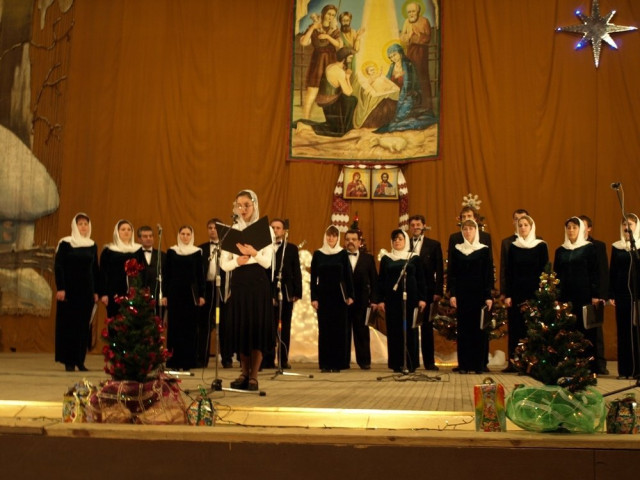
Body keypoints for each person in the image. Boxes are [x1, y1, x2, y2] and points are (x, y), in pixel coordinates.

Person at [220, 190, 275, 391]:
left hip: (258, 283)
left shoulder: (265, 230)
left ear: (254, 205)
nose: (243, 209)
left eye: (247, 205)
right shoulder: (231, 231)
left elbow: (267, 262)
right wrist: (237, 261)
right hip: (240, 283)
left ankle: (254, 376)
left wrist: (254, 253)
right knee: (242, 328)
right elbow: (224, 264)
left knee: (256, 328)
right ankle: (243, 372)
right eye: (239, 205)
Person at [374, 229, 426, 373]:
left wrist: (422, 298)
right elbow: (381, 281)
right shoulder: (386, 259)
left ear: (406, 240)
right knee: (395, 330)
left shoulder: (414, 258)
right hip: (392, 300)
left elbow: (421, 279)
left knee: (410, 330)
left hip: (411, 299)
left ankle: (411, 363)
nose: (397, 241)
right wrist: (381, 300)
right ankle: (397, 363)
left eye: (400, 239)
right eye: (394, 239)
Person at [553, 217, 600, 373]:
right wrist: (556, 297)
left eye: (574, 227)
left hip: (584, 295)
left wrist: (595, 294)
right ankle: (569, 365)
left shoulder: (589, 248)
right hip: (566, 296)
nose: (571, 230)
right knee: (568, 329)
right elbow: (556, 275)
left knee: (585, 330)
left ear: (581, 230)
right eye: (569, 227)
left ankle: (588, 365)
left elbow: (595, 273)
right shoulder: (560, 250)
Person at [502, 215, 549, 372]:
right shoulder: (513, 247)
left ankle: (533, 364)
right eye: (520, 225)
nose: (522, 228)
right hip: (517, 293)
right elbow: (509, 272)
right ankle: (515, 363)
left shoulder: (541, 246)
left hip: (535, 294)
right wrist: (508, 294)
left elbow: (545, 271)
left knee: (534, 328)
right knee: (516, 328)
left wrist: (544, 293)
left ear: (531, 227)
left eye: (525, 225)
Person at [54, 213, 99, 372]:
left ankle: (80, 361)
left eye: (86, 224)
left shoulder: (92, 245)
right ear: (75, 225)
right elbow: (59, 266)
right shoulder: (66, 243)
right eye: (80, 224)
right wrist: (61, 288)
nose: (83, 227)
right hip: (69, 291)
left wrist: (96, 291)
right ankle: (69, 361)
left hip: (86, 292)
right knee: (69, 326)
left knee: (83, 327)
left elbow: (95, 269)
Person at [448, 219, 494, 374]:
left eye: (471, 229)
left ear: (476, 231)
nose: (468, 232)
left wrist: (488, 296)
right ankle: (464, 365)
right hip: (462, 295)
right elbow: (453, 274)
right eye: (465, 229)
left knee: (479, 330)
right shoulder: (457, 250)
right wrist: (453, 294)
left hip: (479, 295)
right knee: (463, 330)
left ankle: (478, 365)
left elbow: (488, 274)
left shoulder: (484, 250)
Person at [311, 225, 354, 372]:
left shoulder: (343, 254)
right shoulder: (318, 254)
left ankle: (337, 363)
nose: (331, 238)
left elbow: (348, 276)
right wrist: (314, 297)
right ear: (325, 236)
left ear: (337, 237)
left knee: (338, 330)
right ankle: (325, 363)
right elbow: (313, 279)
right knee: (324, 330)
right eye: (329, 235)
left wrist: (350, 295)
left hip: (340, 297)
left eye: (334, 236)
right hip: (323, 296)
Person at [162, 226, 205, 371]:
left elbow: (200, 276)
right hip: (174, 293)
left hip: (191, 295)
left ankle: (188, 362)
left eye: (188, 234)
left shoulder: (197, 252)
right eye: (183, 234)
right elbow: (167, 274)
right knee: (174, 328)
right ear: (178, 235)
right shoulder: (171, 251)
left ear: (191, 236)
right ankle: (173, 361)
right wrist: (165, 294)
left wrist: (202, 295)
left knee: (189, 328)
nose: (185, 237)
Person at [263, 218, 303, 369]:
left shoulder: (291, 248)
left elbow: (296, 270)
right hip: (268, 290)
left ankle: (283, 359)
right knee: (269, 326)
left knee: (284, 326)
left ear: (284, 231)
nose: (275, 230)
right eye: (272, 227)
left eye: (278, 228)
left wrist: (297, 291)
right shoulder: (264, 248)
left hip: (285, 291)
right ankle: (268, 359)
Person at [374, 43, 437, 134]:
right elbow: (387, 80)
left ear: (400, 52)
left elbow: (409, 85)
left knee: (397, 121)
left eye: (394, 55)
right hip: (395, 94)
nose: (393, 58)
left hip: (408, 95)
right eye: (391, 57)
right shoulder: (392, 66)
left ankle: (422, 122)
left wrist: (401, 95)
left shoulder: (408, 65)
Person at [408, 215, 443, 371]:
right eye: (413, 225)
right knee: (411, 326)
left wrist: (438, 291)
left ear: (424, 226)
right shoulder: (405, 243)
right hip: (411, 291)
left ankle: (429, 362)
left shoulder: (434, 245)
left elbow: (439, 269)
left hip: (429, 291)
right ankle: (412, 362)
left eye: (418, 224)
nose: (415, 227)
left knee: (427, 328)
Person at [609, 214, 640, 379]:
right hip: (621, 295)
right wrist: (611, 294)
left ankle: (637, 370)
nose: (627, 227)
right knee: (623, 332)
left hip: (637, 296)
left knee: (636, 332)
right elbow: (612, 271)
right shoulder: (617, 246)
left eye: (630, 224)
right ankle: (624, 371)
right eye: (624, 224)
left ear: (636, 226)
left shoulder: (639, 247)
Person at [199, 218, 233, 368]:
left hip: (224, 288)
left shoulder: (228, 248)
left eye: (215, 228)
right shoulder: (201, 249)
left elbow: (233, 270)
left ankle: (227, 358)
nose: (213, 230)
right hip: (207, 288)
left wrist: (231, 289)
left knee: (225, 324)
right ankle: (202, 359)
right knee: (205, 324)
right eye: (210, 228)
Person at [299, 4, 342, 120]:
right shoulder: (314, 27)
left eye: (333, 15)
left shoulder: (334, 29)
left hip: (330, 62)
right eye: (329, 14)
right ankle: (305, 120)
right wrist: (313, 27)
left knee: (331, 92)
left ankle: (332, 122)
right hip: (317, 62)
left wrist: (328, 37)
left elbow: (339, 45)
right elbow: (303, 42)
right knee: (312, 90)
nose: (330, 17)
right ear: (323, 13)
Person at [579, 214, 610, 375]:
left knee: (595, 330)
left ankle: (599, 364)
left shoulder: (598, 245)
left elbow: (603, 272)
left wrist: (601, 295)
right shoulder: (574, 246)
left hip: (594, 295)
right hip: (579, 293)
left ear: (589, 228)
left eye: (583, 226)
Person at [306, 47, 358, 137]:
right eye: (350, 58)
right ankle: (347, 128)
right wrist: (347, 78)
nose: (350, 60)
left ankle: (346, 127)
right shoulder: (339, 72)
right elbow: (348, 92)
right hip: (331, 102)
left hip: (326, 99)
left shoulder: (331, 66)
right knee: (352, 100)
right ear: (344, 58)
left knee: (351, 100)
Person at [344, 229, 377, 370]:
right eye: (348, 239)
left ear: (359, 242)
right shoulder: (339, 257)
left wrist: (374, 300)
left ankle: (364, 361)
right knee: (344, 332)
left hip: (362, 301)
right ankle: (343, 361)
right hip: (344, 301)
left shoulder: (368, 259)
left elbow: (374, 281)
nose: (350, 242)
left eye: (353, 239)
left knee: (362, 332)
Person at [99, 219, 144, 318]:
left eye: (129, 229)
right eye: (123, 229)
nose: (126, 232)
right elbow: (103, 273)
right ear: (117, 232)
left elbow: (142, 270)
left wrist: (141, 291)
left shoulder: (138, 250)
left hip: (133, 291)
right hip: (113, 292)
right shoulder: (108, 250)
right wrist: (103, 294)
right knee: (115, 320)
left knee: (132, 320)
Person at [400, 2, 433, 111]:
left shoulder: (424, 21)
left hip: (421, 52)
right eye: (409, 12)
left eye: (413, 11)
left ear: (418, 11)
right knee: (411, 77)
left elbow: (427, 38)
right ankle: (413, 105)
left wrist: (415, 36)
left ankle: (426, 105)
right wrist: (407, 36)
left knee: (421, 76)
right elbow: (402, 37)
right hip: (410, 52)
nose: (411, 14)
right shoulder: (406, 22)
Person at [499, 209, 530, 297]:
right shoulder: (507, 243)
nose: (520, 221)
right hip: (513, 288)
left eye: (523, 218)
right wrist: (504, 292)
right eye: (517, 219)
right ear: (513, 222)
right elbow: (504, 268)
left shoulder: (538, 242)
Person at [137, 225, 166, 313]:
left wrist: (165, 295)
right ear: (139, 239)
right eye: (145, 236)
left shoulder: (162, 255)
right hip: (139, 297)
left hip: (158, 297)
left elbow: (167, 276)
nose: (148, 238)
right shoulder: (135, 255)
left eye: (150, 236)